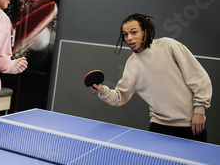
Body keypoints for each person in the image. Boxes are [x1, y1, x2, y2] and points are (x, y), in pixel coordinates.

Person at [90, 13, 212, 142]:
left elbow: (199, 78)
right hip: (159, 127)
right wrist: (103, 91)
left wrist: (199, 110)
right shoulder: (132, 64)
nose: (129, 38)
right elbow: (120, 97)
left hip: (191, 124)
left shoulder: (168, 45)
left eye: (134, 32)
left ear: (145, 31)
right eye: (125, 34)